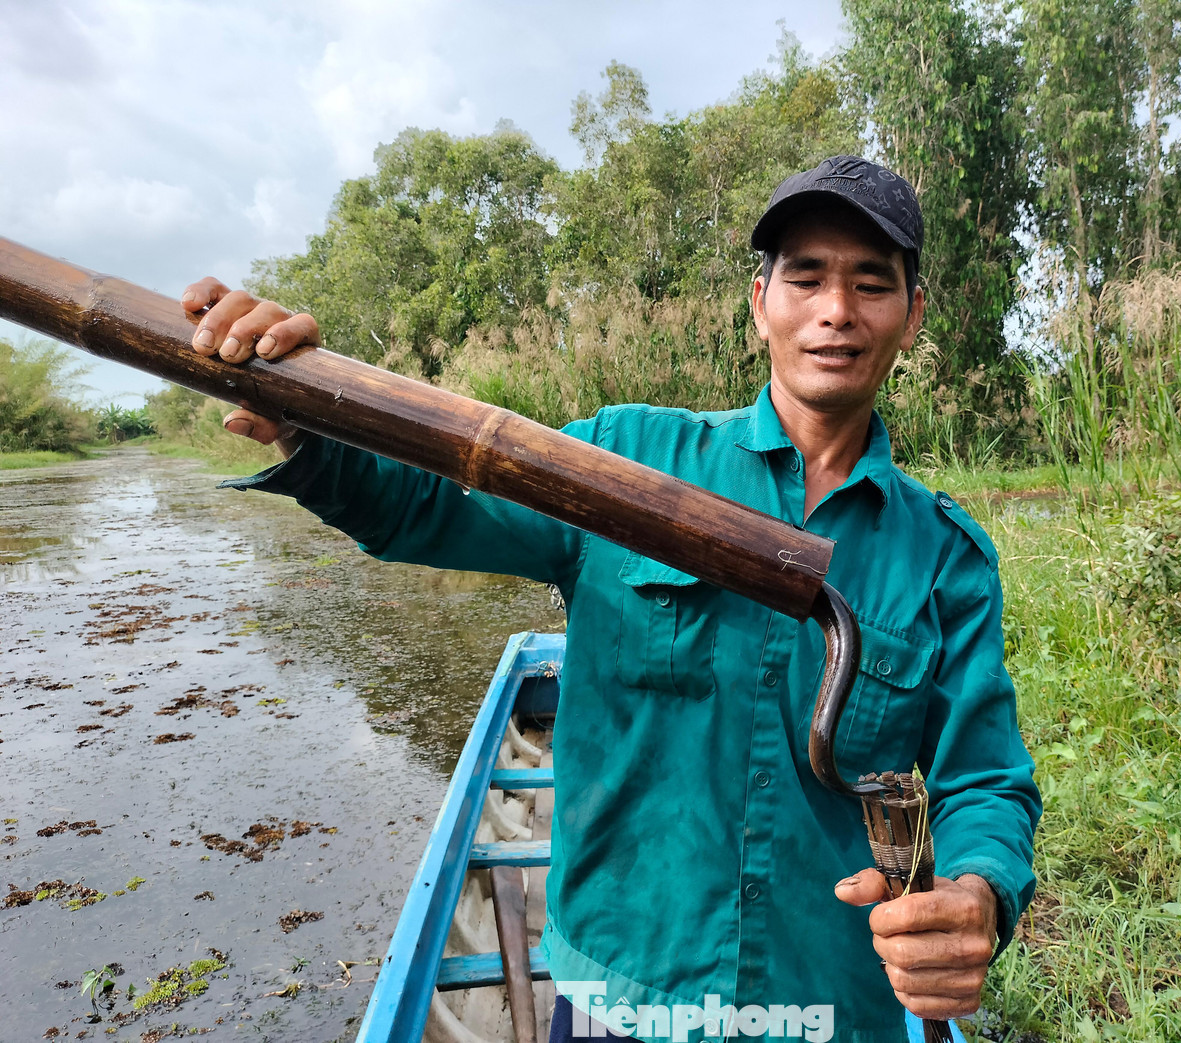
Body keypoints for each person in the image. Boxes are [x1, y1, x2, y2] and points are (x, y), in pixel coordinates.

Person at [182, 155, 1040, 1043]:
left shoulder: (942, 554)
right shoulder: (624, 464)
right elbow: (428, 508)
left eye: (871, 283)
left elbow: (985, 779)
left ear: (912, 316)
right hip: (627, 995)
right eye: (807, 277)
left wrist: (976, 890)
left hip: (831, 1003)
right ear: (760, 303)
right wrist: (304, 416)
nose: (836, 310)